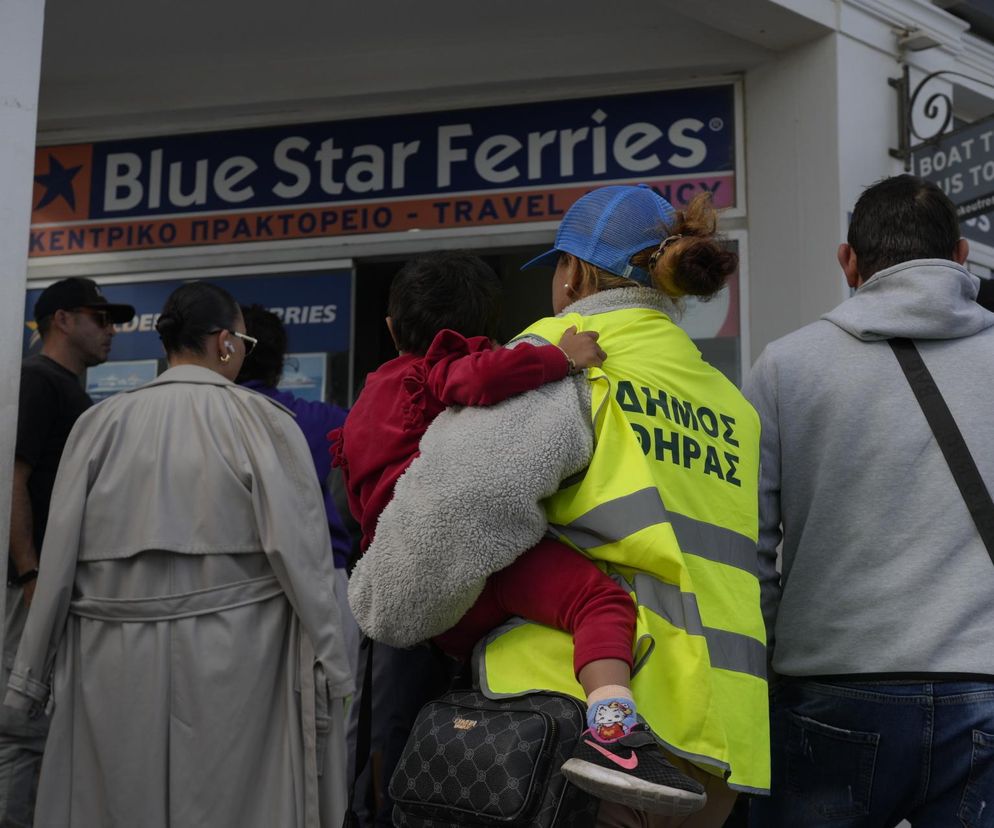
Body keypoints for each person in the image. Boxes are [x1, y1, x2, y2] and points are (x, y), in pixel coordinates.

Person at [348, 186, 770, 827]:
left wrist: (384, 605)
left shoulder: (558, 354)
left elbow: (456, 510)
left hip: (580, 735)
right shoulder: (727, 400)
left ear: (572, 273)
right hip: (722, 743)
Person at [4, 282, 354, 828]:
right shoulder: (263, 423)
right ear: (224, 343)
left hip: (110, 659)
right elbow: (303, 559)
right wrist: (336, 666)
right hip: (241, 660)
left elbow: (59, 554)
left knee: (116, 800)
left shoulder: (100, 425)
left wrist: (30, 676)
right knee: (230, 802)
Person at [745, 174, 994, 827]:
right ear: (962, 255)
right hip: (985, 683)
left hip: (830, 682)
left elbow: (750, 543)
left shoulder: (786, 366)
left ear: (848, 260)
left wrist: (776, 650)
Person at [3, 277, 134, 827]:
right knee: (20, 728)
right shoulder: (38, 381)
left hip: (49, 588)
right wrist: (31, 571)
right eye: (99, 318)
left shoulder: (64, 389)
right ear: (62, 319)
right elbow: (13, 478)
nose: (111, 331)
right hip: (29, 589)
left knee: (40, 728)